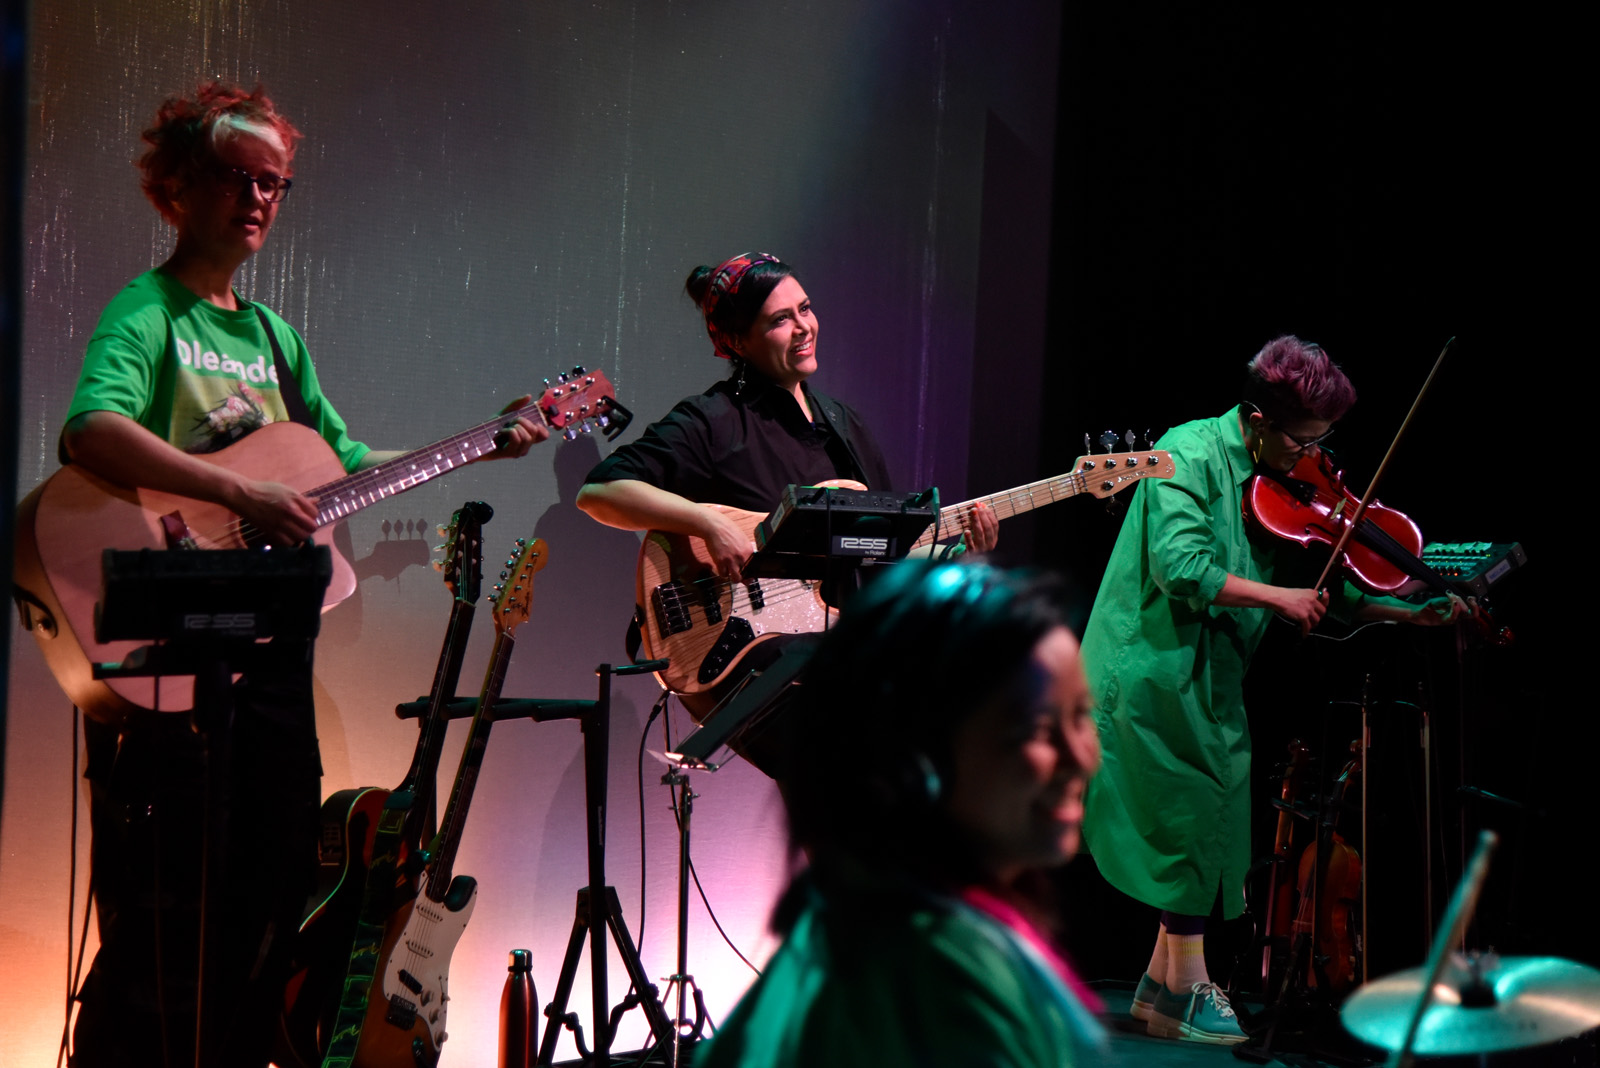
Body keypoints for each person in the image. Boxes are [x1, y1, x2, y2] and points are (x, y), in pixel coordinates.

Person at [60, 82, 543, 1068]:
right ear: (179, 185)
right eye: (238, 177)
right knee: (164, 910)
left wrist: (481, 446)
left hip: (272, 658)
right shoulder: (148, 312)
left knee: (276, 885)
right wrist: (234, 493)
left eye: (274, 183)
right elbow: (91, 430)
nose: (258, 198)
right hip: (174, 655)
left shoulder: (276, 340)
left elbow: (342, 462)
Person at [1078, 336, 1466, 1045]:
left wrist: (1408, 611)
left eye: (1321, 441)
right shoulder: (1186, 453)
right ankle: (1189, 986)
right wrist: (1279, 599)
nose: (1310, 456)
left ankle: (1162, 986)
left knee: (1211, 808)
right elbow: (1180, 567)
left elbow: (1324, 586)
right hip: (1148, 665)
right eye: (1300, 440)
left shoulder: (1280, 479)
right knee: (1189, 811)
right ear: (1257, 420)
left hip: (1209, 673)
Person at [575, 253, 997, 758]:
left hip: (841, 655)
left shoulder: (844, 425)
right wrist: (707, 522)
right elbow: (599, 492)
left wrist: (958, 552)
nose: (803, 328)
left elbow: (879, 554)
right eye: (780, 319)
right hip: (757, 659)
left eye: (805, 309)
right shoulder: (713, 419)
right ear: (737, 342)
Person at [695, 561, 1108, 1068]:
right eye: (1039, 729)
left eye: (1081, 716)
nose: (1083, 758)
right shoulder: (943, 982)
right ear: (918, 752)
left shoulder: (851, 923)